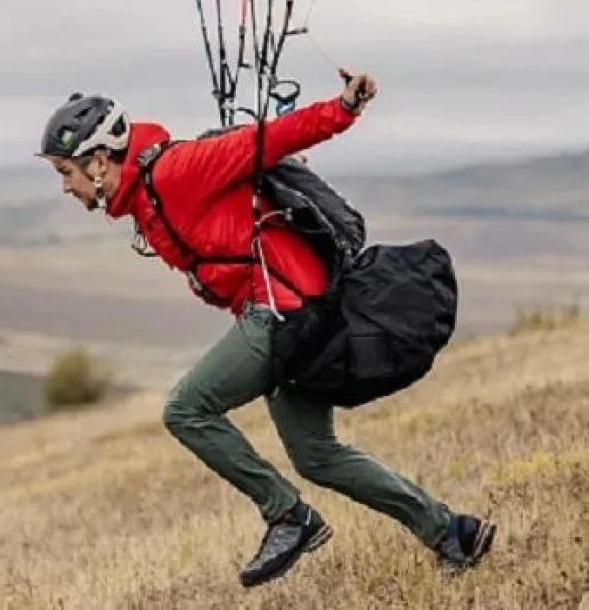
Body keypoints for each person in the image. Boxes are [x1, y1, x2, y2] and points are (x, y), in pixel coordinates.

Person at [37, 77, 495, 588]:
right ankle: (453, 533)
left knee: (187, 409)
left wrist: (342, 108)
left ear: (99, 161)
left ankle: (287, 517)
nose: (64, 185)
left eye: (66, 171)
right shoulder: (143, 199)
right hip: (288, 310)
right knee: (317, 456)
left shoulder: (175, 171)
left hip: (285, 309)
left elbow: (270, 139)